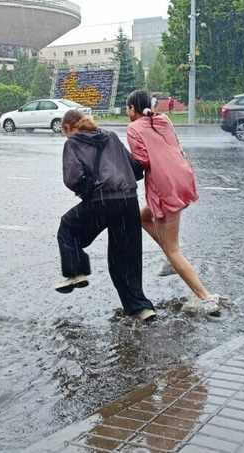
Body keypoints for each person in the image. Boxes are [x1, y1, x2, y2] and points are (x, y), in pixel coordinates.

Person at [126, 90, 225, 316]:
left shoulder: (134, 128)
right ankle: (172, 259)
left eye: (127, 107)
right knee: (142, 217)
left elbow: (142, 161)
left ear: (132, 108)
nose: (126, 111)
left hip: (165, 185)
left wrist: (123, 164)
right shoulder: (164, 119)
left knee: (173, 249)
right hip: (182, 177)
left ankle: (205, 297)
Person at [55, 109, 157, 322]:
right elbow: (135, 168)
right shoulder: (111, 136)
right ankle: (141, 309)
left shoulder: (72, 143)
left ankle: (76, 272)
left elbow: (72, 178)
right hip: (128, 200)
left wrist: (87, 190)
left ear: (68, 128)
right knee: (126, 257)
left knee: (68, 227)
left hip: (101, 201)